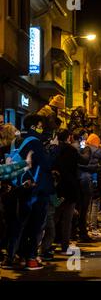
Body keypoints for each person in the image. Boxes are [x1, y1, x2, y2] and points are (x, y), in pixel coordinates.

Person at [3, 114, 54, 270]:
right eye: (41, 125)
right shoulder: (36, 142)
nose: (42, 128)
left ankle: (11, 257)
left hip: (20, 188)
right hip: (36, 189)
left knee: (18, 225)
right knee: (35, 225)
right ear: (35, 125)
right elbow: (47, 165)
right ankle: (31, 258)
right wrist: (53, 149)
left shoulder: (16, 141)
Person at [40, 129, 81, 258]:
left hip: (56, 187)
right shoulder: (72, 150)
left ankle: (47, 246)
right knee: (67, 220)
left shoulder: (53, 150)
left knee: (53, 218)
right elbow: (78, 167)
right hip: (69, 188)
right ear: (69, 137)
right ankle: (64, 246)